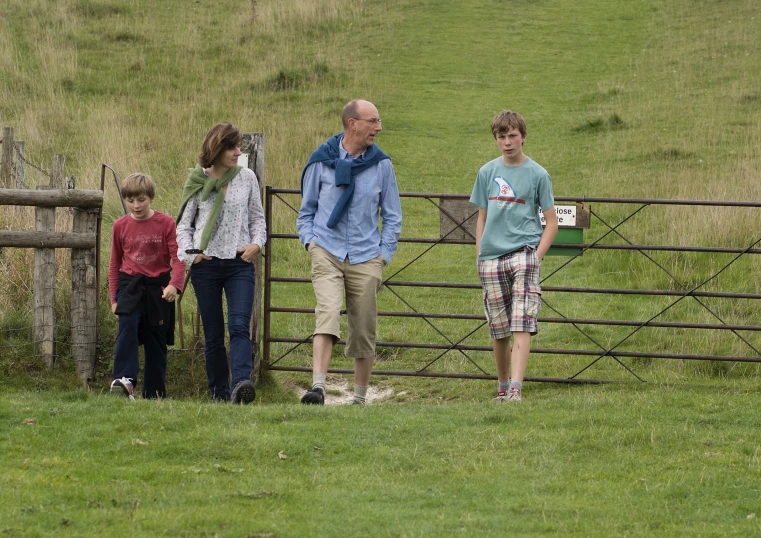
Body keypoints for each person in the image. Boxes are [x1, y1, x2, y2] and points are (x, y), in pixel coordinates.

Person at [297, 99, 402, 405]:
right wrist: (310, 243)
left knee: (363, 327)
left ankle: (359, 398)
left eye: (379, 121)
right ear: (352, 123)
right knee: (327, 313)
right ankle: (318, 388)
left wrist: (383, 255)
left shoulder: (382, 164)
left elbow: (393, 215)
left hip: (366, 255)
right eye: (373, 121)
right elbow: (307, 211)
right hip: (326, 250)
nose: (379, 127)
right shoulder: (321, 161)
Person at [469, 110, 558, 402]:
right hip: (491, 257)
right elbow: (482, 217)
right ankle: (503, 386)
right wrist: (479, 253)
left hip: (524, 253)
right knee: (498, 326)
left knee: (522, 319)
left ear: (523, 137)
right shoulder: (486, 172)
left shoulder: (538, 174)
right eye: (501, 137)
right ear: (495, 139)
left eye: (512, 136)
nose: (507, 142)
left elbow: (551, 221)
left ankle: (517, 388)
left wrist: (536, 256)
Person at [176, 122, 266, 404]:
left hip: (240, 263)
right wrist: (192, 255)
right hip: (207, 265)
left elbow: (257, 219)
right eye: (231, 147)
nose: (238, 152)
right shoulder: (197, 180)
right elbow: (183, 226)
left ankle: (241, 385)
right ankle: (218, 392)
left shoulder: (247, 177)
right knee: (213, 333)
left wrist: (256, 243)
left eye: (238, 146)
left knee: (239, 325)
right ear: (216, 149)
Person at [109, 173, 186, 400]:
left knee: (156, 340)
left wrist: (175, 285)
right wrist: (114, 300)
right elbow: (114, 264)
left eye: (141, 199)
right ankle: (125, 381)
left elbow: (179, 259)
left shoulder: (166, 223)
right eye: (130, 200)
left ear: (151, 198)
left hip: (159, 288)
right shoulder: (119, 226)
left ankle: (154, 393)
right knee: (127, 327)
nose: (136, 205)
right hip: (130, 285)